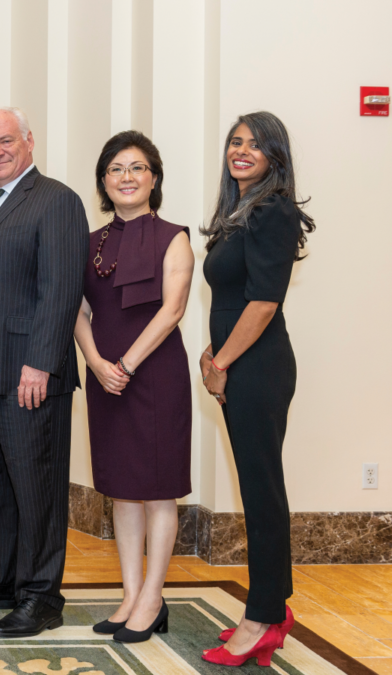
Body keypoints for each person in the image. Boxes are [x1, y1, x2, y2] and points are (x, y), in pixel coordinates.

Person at [0, 107, 87, 638]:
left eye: (6, 141)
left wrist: (42, 363)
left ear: (29, 141)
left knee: (37, 490)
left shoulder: (58, 201)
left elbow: (61, 290)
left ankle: (40, 595)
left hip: (30, 375)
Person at [199, 112, 312, 668]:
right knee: (256, 488)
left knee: (263, 491)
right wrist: (215, 358)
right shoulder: (239, 213)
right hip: (238, 367)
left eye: (255, 145)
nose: (241, 151)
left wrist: (220, 360)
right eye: (235, 142)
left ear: (275, 156)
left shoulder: (275, 210)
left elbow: (264, 304)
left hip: (259, 368)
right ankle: (266, 610)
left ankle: (266, 614)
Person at [73, 131, 194, 643]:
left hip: (156, 375)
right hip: (106, 376)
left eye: (137, 167)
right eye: (116, 169)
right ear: (104, 181)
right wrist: (98, 362)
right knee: (121, 490)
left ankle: (153, 597)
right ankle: (129, 594)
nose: (126, 176)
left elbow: (173, 310)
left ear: (154, 178)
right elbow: (77, 310)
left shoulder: (175, 236)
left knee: (158, 490)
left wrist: (124, 362)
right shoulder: (90, 242)